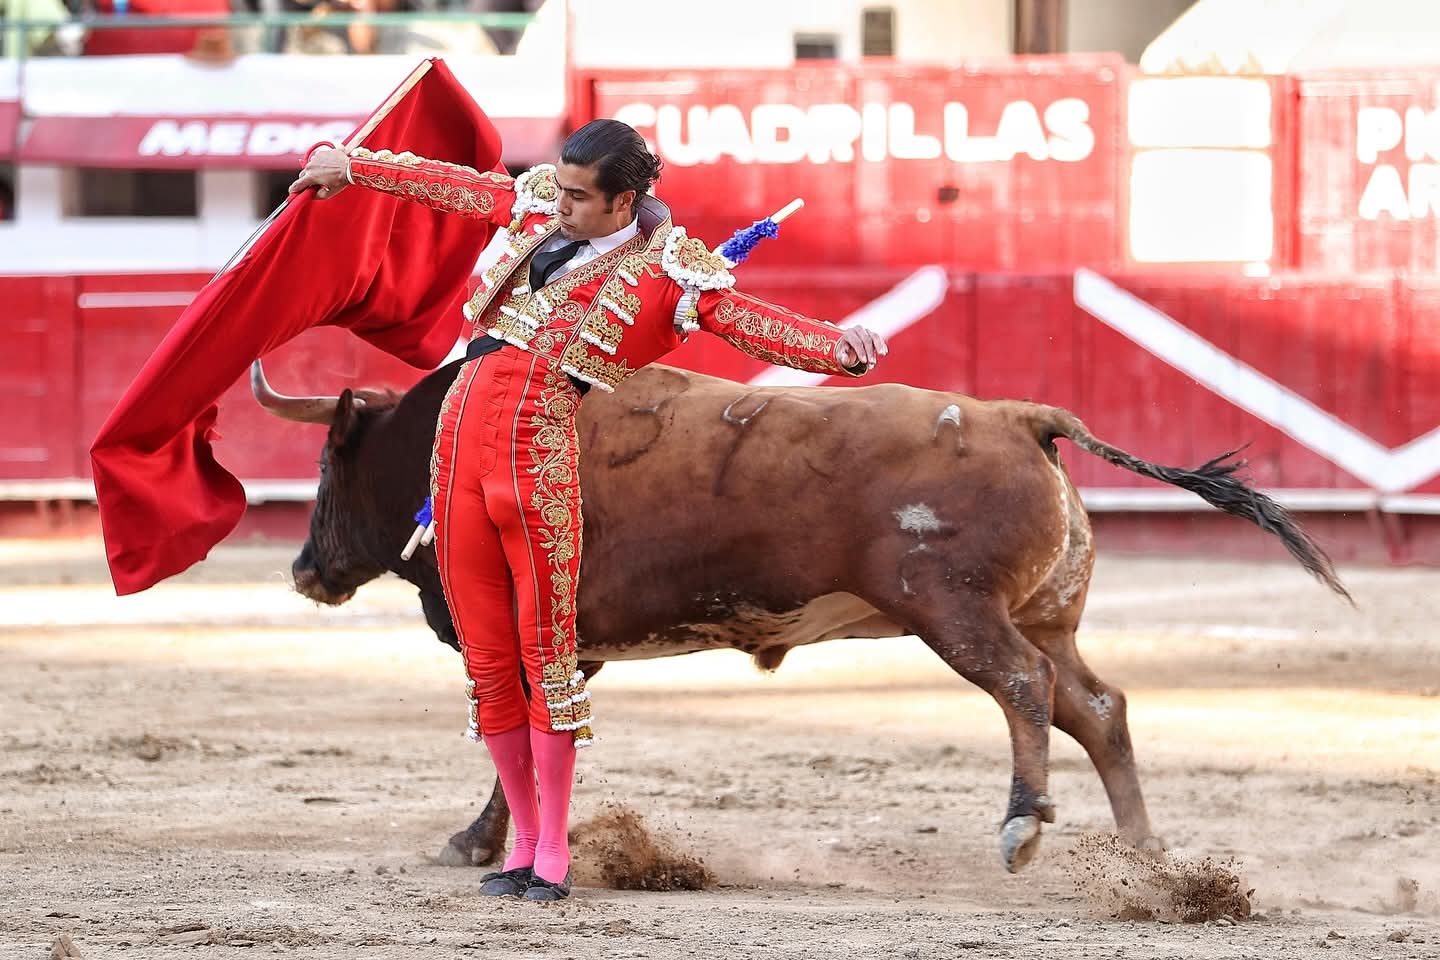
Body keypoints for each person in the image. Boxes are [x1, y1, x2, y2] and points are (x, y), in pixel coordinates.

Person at [289, 119, 887, 901]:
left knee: (547, 655)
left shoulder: (670, 271)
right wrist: (355, 166)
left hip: (537, 457)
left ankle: (553, 854)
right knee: (488, 659)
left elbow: (748, 320)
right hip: (457, 447)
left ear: (623, 202)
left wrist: (838, 346)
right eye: (560, 188)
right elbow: (460, 188)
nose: (559, 205)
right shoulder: (541, 207)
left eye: (578, 196)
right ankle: (522, 840)